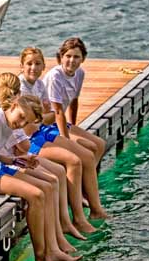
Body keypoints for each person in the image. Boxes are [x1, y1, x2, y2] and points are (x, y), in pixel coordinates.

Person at [0, 94, 81, 261]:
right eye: (21, 117)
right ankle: (42, 253)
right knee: (36, 195)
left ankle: (53, 248)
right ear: (13, 106)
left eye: (26, 122)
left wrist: (16, 160)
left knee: (47, 187)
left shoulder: (8, 123)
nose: (21, 124)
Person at [19, 46, 103, 230]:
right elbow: (30, 125)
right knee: (73, 161)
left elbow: (46, 117)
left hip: (42, 131)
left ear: (43, 66)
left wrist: (40, 116)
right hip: (28, 141)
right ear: (22, 66)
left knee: (87, 155)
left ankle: (95, 208)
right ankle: (78, 218)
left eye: (38, 63)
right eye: (29, 64)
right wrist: (42, 115)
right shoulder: (21, 88)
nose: (33, 68)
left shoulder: (39, 85)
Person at [42, 38, 108, 220]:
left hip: (62, 120)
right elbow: (56, 111)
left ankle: (82, 188)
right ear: (60, 58)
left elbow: (74, 101)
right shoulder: (55, 76)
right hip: (49, 123)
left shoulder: (79, 73)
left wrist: (74, 124)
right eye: (68, 56)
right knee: (86, 152)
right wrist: (66, 139)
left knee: (99, 145)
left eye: (76, 57)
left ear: (83, 59)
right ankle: (88, 203)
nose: (72, 61)